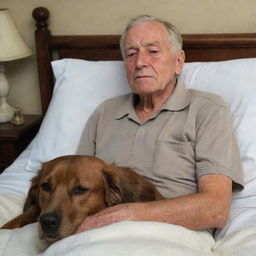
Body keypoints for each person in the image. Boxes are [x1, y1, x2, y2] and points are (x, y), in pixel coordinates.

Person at [76, 15, 244, 234]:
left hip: (175, 232)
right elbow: (74, 186)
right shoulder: (105, 112)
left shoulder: (207, 109)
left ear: (178, 61)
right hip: (98, 232)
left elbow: (215, 209)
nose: (140, 62)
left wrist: (127, 215)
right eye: (131, 54)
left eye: (153, 51)